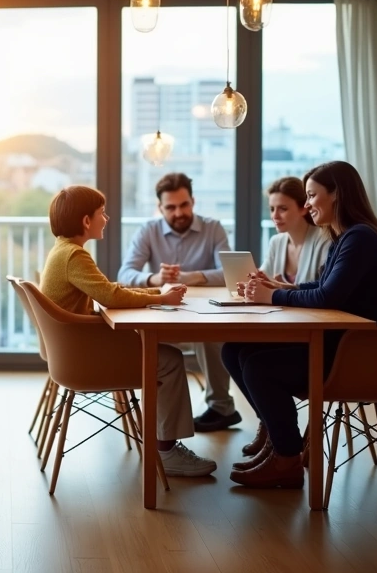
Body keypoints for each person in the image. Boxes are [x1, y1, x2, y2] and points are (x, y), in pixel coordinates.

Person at [223, 161, 377, 489]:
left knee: (259, 367)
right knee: (235, 350)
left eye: (311, 195)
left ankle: (287, 459)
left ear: (337, 194)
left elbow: (327, 297)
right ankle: (279, 440)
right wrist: (281, 287)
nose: (307, 204)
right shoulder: (347, 237)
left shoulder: (359, 238)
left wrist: (272, 296)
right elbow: (322, 287)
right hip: (347, 345)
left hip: (361, 357)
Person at [40, 185, 217, 477]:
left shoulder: (62, 250)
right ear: (86, 220)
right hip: (81, 360)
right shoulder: (74, 256)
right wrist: (162, 299)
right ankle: (167, 452)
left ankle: (166, 447)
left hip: (69, 354)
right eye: (102, 213)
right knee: (170, 361)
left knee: (163, 356)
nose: (106, 218)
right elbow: (111, 297)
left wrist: (157, 292)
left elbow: (110, 290)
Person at [118, 172, 238, 433]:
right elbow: (124, 274)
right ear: (160, 208)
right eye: (170, 207)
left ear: (193, 202)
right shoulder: (148, 231)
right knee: (156, 348)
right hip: (163, 316)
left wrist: (193, 277)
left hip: (204, 316)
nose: (179, 212)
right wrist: (155, 278)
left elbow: (230, 273)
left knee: (214, 335)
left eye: (184, 205)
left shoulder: (213, 227)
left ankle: (222, 408)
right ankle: (161, 423)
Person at [238, 176, 333, 459]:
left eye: (282, 208)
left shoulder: (325, 241)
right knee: (232, 351)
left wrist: (275, 290)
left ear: (303, 208)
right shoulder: (277, 242)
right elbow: (267, 280)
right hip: (285, 327)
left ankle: (283, 446)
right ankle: (270, 425)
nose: (275, 216)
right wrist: (255, 284)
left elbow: (321, 293)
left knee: (256, 365)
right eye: (271, 209)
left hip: (314, 333)